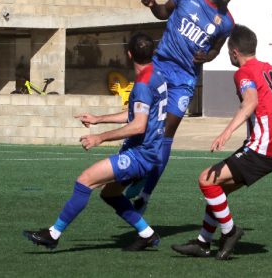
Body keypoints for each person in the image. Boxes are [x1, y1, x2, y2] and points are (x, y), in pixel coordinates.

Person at [23, 33, 168, 251]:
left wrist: (99, 137)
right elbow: (135, 115)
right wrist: (98, 119)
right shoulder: (157, 75)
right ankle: (147, 234)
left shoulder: (142, 85)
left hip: (140, 155)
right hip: (148, 151)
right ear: (153, 53)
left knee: (85, 180)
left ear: (128, 54)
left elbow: (138, 125)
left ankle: (53, 234)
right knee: (109, 193)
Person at [130, 0, 242, 212]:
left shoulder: (226, 22)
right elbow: (162, 13)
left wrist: (208, 57)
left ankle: (145, 196)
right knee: (143, 124)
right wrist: (152, 4)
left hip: (184, 79)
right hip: (159, 67)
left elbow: (215, 50)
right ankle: (138, 171)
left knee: (166, 133)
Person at [171, 24, 272, 260]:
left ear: (234, 52)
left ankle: (230, 231)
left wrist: (226, 132)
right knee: (218, 190)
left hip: (261, 149)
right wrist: (271, 134)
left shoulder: (244, 72)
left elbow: (250, 102)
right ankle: (203, 242)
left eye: (228, 52)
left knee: (205, 180)